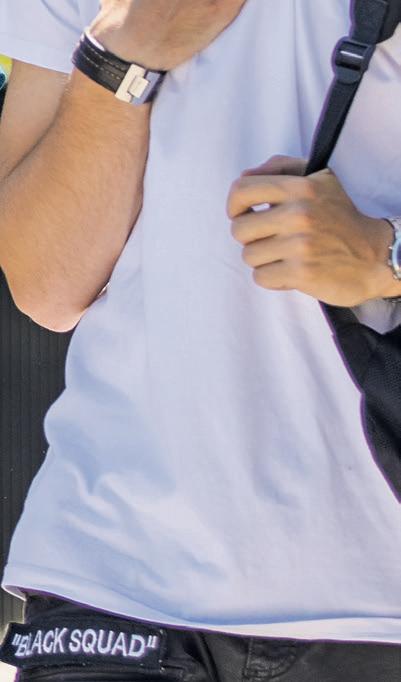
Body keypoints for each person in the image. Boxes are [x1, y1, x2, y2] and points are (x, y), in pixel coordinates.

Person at [0, 0, 400, 680]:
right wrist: (120, 56)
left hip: (378, 602)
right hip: (115, 575)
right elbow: (45, 284)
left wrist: (386, 256)